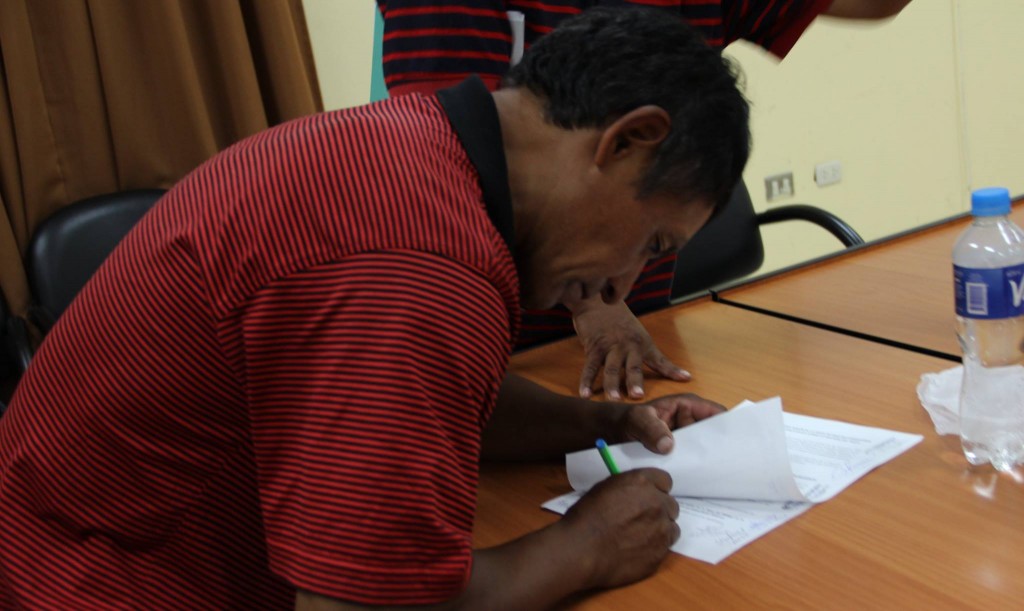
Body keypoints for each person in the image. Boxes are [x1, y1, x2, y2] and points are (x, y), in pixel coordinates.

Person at [0, 8, 749, 610]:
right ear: (627, 141)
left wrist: (603, 424)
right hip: (87, 581)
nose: (625, 284)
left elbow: (428, 404)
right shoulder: (424, 263)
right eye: (652, 242)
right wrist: (585, 546)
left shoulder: (413, 151)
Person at [376, 0, 913, 401]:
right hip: (498, 341)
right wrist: (596, 304)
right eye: (654, 244)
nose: (624, 281)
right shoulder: (401, 231)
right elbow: (453, 162)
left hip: (635, 340)